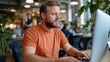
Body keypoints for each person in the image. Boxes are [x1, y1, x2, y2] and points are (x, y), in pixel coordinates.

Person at [22, 1, 90, 62]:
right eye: (54, 14)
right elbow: (27, 58)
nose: (58, 18)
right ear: (43, 15)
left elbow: (69, 49)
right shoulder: (31, 32)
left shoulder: (58, 33)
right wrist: (58, 60)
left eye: (59, 14)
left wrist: (78, 53)